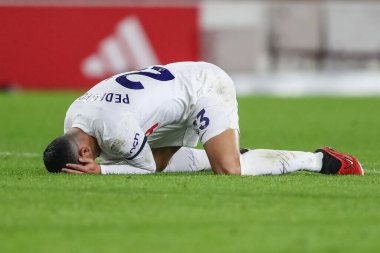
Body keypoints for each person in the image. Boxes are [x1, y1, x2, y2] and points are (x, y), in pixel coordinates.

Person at [43, 62, 364, 176]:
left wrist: (101, 172)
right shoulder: (74, 116)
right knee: (122, 154)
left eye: (83, 164)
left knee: (229, 169)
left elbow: (147, 169)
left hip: (204, 86)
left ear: (82, 153)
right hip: (174, 88)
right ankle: (226, 148)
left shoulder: (115, 129)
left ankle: (318, 160)